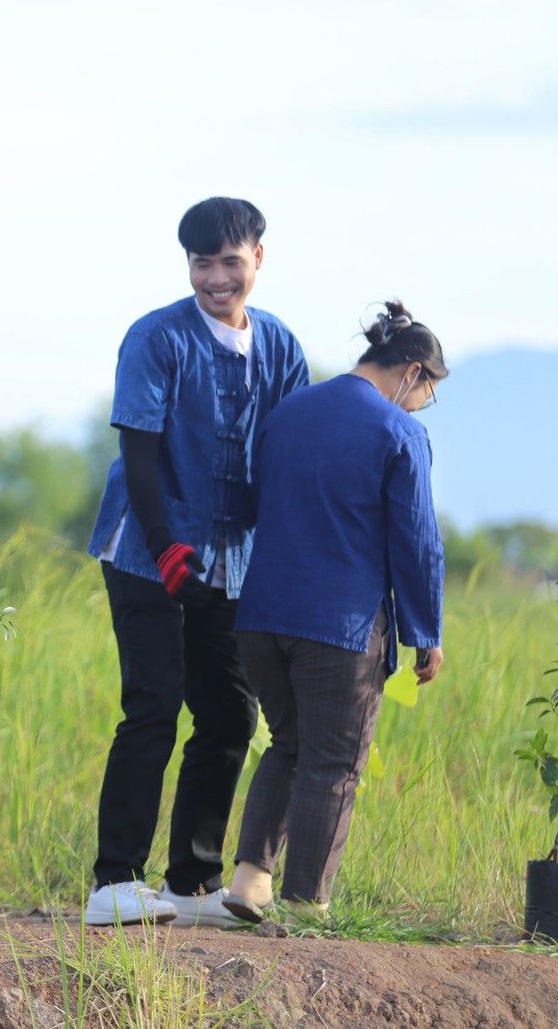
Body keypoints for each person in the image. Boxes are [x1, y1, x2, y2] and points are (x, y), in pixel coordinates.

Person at [84, 197, 311, 927]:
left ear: (259, 260)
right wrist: (164, 542)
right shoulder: (157, 337)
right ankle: (115, 881)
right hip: (149, 553)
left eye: (230, 263)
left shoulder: (281, 348)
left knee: (228, 717)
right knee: (152, 703)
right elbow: (139, 451)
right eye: (201, 263)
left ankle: (191, 885)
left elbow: (287, 460)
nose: (216, 278)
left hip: (234, 562)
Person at [223, 301, 446, 921]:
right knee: (335, 763)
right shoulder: (400, 432)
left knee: (289, 745)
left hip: (262, 614)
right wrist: (424, 632)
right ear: (413, 372)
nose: (422, 405)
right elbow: (418, 541)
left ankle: (248, 883)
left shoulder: (288, 412)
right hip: (340, 626)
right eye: (428, 393)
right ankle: (305, 908)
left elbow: (258, 502)